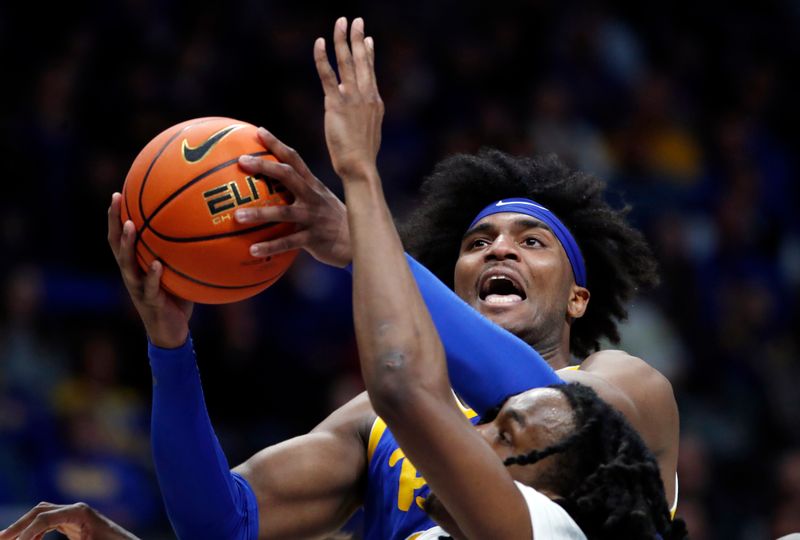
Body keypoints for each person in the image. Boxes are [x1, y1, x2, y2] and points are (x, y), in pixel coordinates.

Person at [4, 16, 679, 540]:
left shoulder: (627, 386)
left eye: (531, 242)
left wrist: (362, 232)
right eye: (476, 243)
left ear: (579, 296)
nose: (498, 251)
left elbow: (565, 424)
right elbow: (222, 525)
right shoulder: (372, 422)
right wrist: (170, 346)